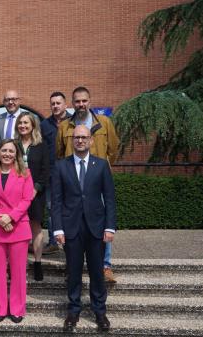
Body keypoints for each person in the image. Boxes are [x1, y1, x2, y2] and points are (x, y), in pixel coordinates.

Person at [51, 125, 116, 332]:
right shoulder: (61, 166)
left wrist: (110, 227)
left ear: (91, 141)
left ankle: (99, 311)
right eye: (76, 137)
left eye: (84, 137)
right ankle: (73, 310)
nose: (80, 140)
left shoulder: (102, 165)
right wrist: (58, 229)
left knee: (97, 272)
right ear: (72, 140)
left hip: (97, 228)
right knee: (74, 271)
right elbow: (57, 201)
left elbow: (110, 199)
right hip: (71, 228)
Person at [56, 86, 120, 283]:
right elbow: (60, 152)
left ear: (90, 101)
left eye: (84, 101)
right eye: (77, 101)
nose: (81, 104)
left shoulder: (104, 123)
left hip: (96, 180)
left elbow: (114, 149)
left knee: (101, 222)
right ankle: (72, 264)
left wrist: (101, 167)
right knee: (72, 220)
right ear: (72, 104)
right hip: (73, 181)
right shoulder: (65, 126)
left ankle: (105, 265)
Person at [0, 139, 34, 323]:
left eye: (11, 151)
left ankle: (18, 309)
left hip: (18, 227)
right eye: (4, 150)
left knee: (18, 272)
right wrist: (0, 218)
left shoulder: (25, 173)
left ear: (16, 154)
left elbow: (27, 200)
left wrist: (10, 217)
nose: (7, 154)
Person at [15, 112, 49, 281]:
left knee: (35, 227)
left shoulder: (41, 145)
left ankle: (37, 263)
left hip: (35, 194)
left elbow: (46, 170)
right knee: (17, 229)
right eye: (20, 123)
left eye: (26, 123)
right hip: (15, 194)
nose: (23, 126)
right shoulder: (13, 145)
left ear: (33, 125)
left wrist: (35, 189)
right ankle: (18, 264)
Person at [40, 92, 72, 255]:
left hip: (70, 173)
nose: (55, 106)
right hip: (51, 174)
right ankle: (53, 241)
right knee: (52, 207)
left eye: (58, 103)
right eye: (52, 103)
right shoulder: (44, 125)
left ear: (65, 105)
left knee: (71, 206)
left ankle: (70, 240)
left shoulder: (73, 122)